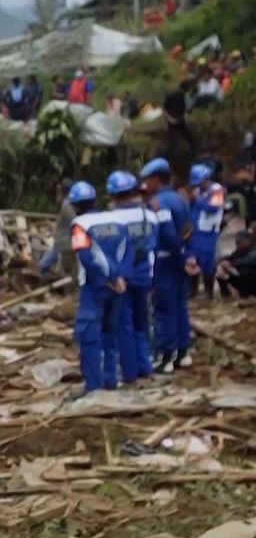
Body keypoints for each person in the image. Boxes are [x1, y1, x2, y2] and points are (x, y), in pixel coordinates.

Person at [70, 182, 127, 393]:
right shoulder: (115, 219)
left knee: (89, 335)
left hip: (95, 285)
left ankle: (93, 384)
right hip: (118, 285)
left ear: (75, 205)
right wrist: (120, 276)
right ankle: (111, 378)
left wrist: (107, 278)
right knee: (111, 333)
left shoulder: (79, 224)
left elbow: (87, 256)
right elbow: (127, 249)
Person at [142, 158, 195, 372]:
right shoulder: (179, 199)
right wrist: (187, 256)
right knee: (179, 305)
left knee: (164, 307)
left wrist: (180, 255)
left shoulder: (159, 203)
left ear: (156, 179)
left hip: (164, 259)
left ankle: (165, 356)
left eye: (148, 180)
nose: (146, 184)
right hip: (177, 259)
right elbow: (188, 230)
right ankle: (183, 352)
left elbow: (169, 233)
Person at [109, 171, 158, 385]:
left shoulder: (112, 219)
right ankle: (145, 367)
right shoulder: (150, 215)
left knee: (124, 325)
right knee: (142, 323)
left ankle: (130, 373)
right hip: (145, 274)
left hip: (123, 277)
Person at [188, 162, 227, 300]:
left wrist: (197, 200)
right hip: (196, 232)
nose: (199, 185)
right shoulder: (197, 191)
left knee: (207, 262)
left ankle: (209, 292)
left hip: (209, 233)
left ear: (206, 179)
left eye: (200, 182)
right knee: (193, 259)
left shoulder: (217, 190)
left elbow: (213, 208)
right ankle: (192, 292)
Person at [40, 180, 79, 288]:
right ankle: (42, 270)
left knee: (54, 255)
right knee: (56, 257)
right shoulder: (69, 204)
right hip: (66, 238)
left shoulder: (67, 203)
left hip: (65, 237)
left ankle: (43, 270)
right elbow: (74, 220)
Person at [162, 80, 197, 158]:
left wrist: (184, 115)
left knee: (188, 138)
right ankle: (164, 157)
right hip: (173, 121)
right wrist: (169, 118)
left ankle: (194, 153)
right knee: (174, 142)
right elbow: (164, 108)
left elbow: (186, 109)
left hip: (178, 120)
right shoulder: (173, 96)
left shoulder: (182, 96)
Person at [217, 231, 256, 297]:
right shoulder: (240, 249)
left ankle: (246, 295)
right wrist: (222, 261)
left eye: (239, 242)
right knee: (220, 273)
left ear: (248, 240)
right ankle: (225, 294)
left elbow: (249, 260)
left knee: (244, 270)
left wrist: (231, 264)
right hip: (243, 277)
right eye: (237, 242)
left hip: (252, 279)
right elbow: (231, 257)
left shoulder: (253, 248)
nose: (237, 244)